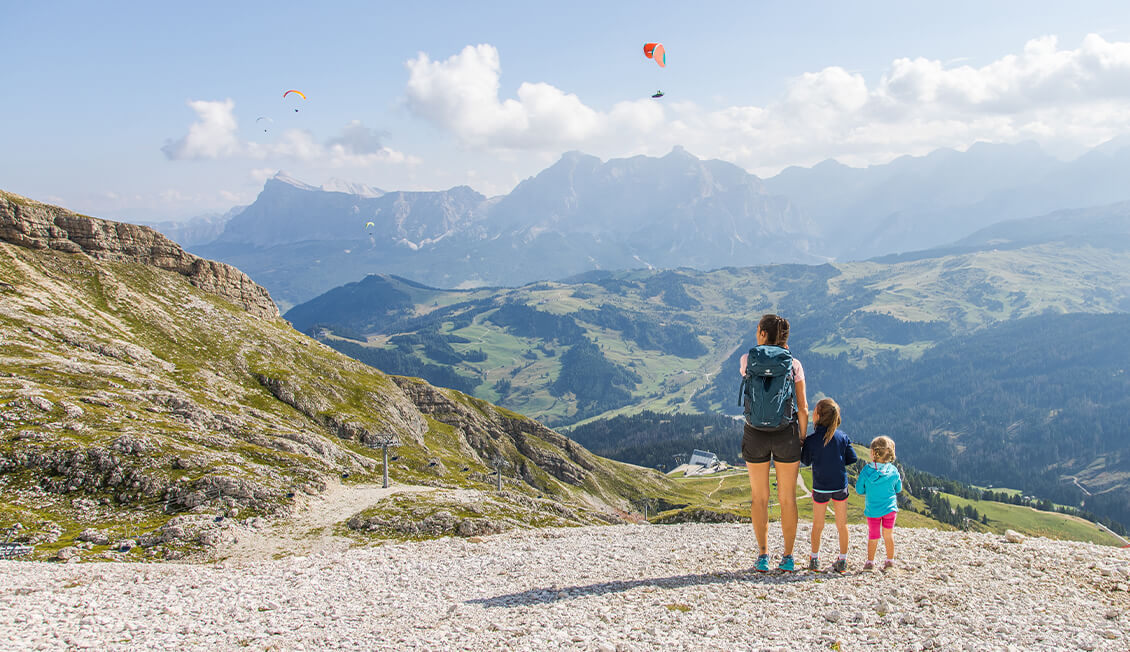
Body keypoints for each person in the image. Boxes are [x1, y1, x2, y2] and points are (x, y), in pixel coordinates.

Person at [739, 314, 808, 572]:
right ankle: (788, 557)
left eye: (758, 330)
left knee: (759, 497)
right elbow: (802, 407)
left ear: (763, 334)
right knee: (787, 498)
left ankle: (763, 555)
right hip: (786, 433)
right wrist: (800, 436)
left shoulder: (747, 360)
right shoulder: (794, 365)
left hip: (754, 432)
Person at [801, 398, 857, 573]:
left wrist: (803, 444)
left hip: (820, 487)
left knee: (818, 524)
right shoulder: (842, 437)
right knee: (842, 524)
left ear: (817, 416)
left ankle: (815, 559)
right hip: (840, 485)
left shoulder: (812, 440)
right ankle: (843, 560)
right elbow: (852, 458)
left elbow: (805, 461)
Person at [855, 435, 902, 570]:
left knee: (873, 535)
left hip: (873, 510)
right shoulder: (893, 471)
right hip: (890, 509)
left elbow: (859, 490)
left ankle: (870, 562)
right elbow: (898, 488)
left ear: (873, 453)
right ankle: (890, 561)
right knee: (888, 535)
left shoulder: (867, 471)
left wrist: (869, 490)